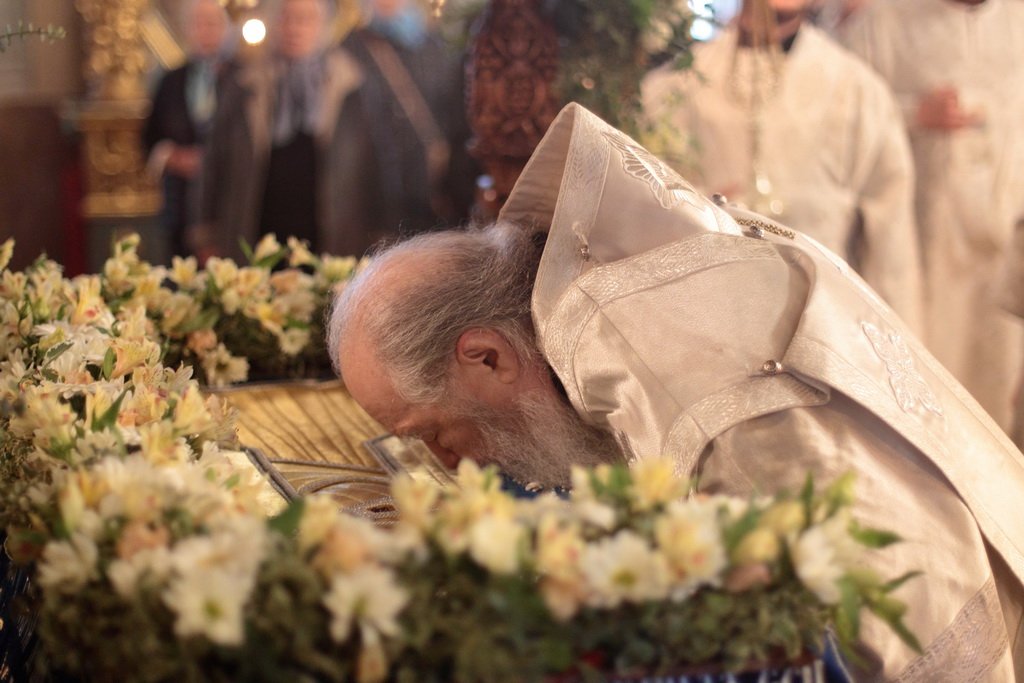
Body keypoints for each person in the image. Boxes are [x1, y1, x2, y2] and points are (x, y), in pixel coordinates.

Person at [329, 104, 1024, 680]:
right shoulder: (590, 267)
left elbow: (790, 638)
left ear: (486, 355)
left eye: (432, 432)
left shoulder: (674, 388)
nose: (449, 465)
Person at [642, 0, 923, 332]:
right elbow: (649, 195)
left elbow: (891, 234)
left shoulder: (856, 88)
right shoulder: (679, 82)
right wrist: (696, 204)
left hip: (822, 311)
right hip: (710, 304)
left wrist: (896, 337)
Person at [842, 0, 1024, 431]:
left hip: (1006, 256)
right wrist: (913, 114)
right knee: (930, 407)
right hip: (922, 259)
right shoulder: (881, 24)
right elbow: (841, 115)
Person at [196, 0, 376, 262]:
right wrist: (205, 234)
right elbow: (214, 160)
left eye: (305, 19)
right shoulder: (244, 82)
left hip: (329, 234)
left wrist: (377, 236)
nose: (294, 28)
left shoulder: (350, 82)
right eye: (286, 18)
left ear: (324, 25)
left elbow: (371, 166)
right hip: (255, 231)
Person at [341, 0, 477, 237]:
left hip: (433, 193)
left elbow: (456, 121)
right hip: (377, 199)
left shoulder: (437, 47)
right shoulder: (352, 48)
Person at [142, 0, 231, 259]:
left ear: (225, 29)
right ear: (187, 29)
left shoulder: (242, 79)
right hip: (179, 202)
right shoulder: (171, 80)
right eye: (199, 24)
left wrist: (212, 161)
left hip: (226, 202)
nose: (206, 31)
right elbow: (151, 136)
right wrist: (171, 157)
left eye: (212, 23)